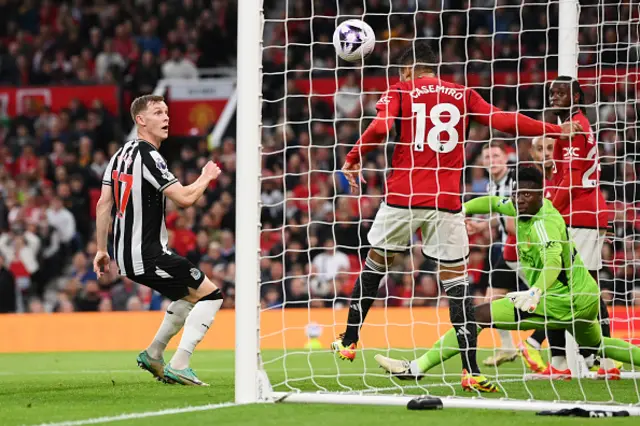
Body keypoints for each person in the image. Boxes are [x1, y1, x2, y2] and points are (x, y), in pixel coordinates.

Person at [332, 40, 580, 391]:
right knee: (458, 285)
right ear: (435, 69)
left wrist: (354, 156)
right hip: (446, 201)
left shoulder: (401, 90)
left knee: (375, 265)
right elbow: (503, 120)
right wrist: (554, 130)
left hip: (404, 196)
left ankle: (350, 341)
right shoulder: (462, 93)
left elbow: (380, 127)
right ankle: (470, 370)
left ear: (406, 71)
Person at [374, 167, 640, 392]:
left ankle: (416, 368)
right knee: (600, 346)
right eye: (517, 194)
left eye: (527, 194)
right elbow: (490, 202)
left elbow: (552, 261)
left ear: (541, 195)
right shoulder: (518, 206)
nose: (520, 200)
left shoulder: (543, 223)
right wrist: (460, 211)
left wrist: (535, 291)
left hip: (561, 298)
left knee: (476, 315)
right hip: (585, 297)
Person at [93, 94, 223, 386]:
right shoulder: (148, 155)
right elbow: (185, 199)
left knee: (187, 296)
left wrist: (102, 249)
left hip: (127, 254)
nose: (166, 117)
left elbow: (104, 204)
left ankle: (153, 354)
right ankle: (180, 362)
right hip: (147, 253)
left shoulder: (119, 155)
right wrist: (206, 177)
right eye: (157, 113)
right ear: (141, 120)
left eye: (166, 112)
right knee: (212, 296)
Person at [519, 77, 618, 378]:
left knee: (584, 289)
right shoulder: (568, 127)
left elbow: (574, 180)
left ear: (577, 95)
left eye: (562, 92)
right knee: (560, 286)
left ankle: (606, 360)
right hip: (575, 214)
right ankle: (561, 361)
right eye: (552, 93)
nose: (556, 97)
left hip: (581, 215)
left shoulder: (576, 126)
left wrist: (550, 208)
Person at [466, 141, 523, 367]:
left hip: (525, 249)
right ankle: (508, 347)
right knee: (492, 298)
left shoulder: (515, 181)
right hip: (505, 248)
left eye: (496, 156)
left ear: (506, 157)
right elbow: (501, 217)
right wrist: (482, 226)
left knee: (543, 299)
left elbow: (513, 222)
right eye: (488, 157)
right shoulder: (492, 185)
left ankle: (540, 343)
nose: (492, 161)